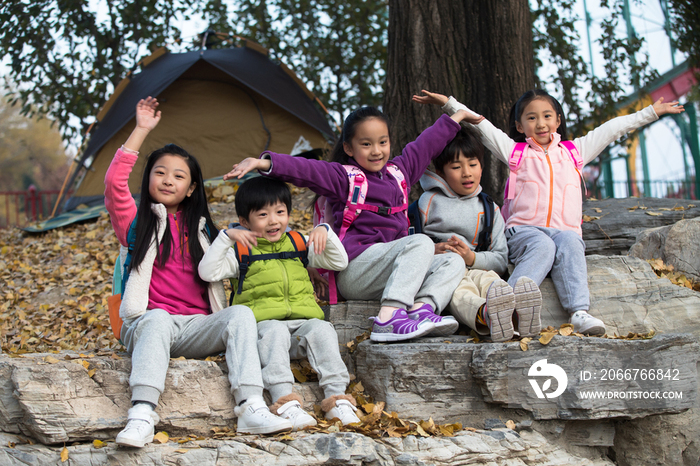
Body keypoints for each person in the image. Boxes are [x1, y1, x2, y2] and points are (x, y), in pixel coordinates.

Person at [414, 89, 685, 335]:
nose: (540, 123)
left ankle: (579, 312)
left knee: (570, 242)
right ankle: (509, 304)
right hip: (524, 231)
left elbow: (611, 129)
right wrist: (448, 103)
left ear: (557, 120)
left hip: (564, 230)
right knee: (543, 245)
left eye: (547, 116)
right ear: (520, 126)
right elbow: (482, 125)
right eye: (531, 118)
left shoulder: (574, 152)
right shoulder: (515, 152)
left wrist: (650, 112)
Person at [105, 97, 292, 448]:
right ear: (148, 179)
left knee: (239, 315)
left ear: (191, 188)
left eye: (179, 176)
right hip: (146, 324)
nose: (167, 180)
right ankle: (142, 414)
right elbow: (116, 183)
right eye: (159, 172)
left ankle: (251, 405)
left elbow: (227, 270)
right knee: (159, 318)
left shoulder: (204, 231)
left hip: (194, 326)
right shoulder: (136, 222)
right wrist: (141, 129)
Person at [223, 104, 471, 342]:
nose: (376, 150)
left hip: (388, 268)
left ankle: (421, 310)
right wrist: (262, 163)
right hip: (355, 271)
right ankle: (389, 318)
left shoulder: (399, 173)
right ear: (349, 149)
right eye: (366, 144)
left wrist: (456, 116)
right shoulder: (344, 178)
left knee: (452, 260)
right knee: (420, 241)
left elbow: (425, 146)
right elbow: (306, 170)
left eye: (382, 142)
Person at [198, 176, 361, 430]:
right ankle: (285, 402)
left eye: (280, 212)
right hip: (265, 330)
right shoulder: (242, 251)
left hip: (302, 328)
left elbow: (339, 263)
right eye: (262, 215)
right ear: (244, 222)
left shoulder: (298, 243)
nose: (273, 220)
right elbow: (207, 272)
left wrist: (325, 232)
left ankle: (337, 399)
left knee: (323, 329)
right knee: (273, 330)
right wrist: (227, 237)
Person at [418, 126, 542, 342]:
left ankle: (517, 313)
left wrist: (472, 258)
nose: (467, 172)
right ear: (440, 172)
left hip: (476, 266)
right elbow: (410, 245)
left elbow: (501, 258)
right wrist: (433, 250)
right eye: (456, 167)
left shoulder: (489, 208)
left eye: (473, 164)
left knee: (491, 281)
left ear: (481, 167)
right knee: (459, 292)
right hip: (442, 273)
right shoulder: (427, 203)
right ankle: (488, 315)